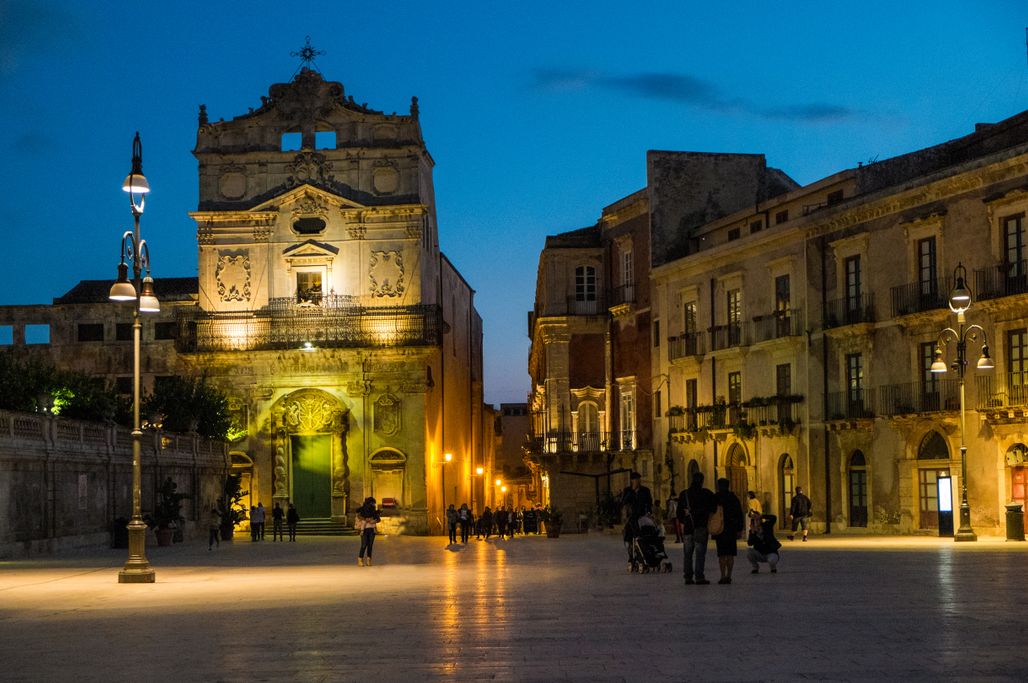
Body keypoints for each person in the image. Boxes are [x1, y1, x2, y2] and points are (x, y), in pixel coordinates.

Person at [678, 471, 716, 585]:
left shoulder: (684, 494)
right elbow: (713, 508)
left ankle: (688, 577)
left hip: (689, 528)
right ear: (702, 481)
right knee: (700, 554)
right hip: (701, 528)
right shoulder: (706, 494)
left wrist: (685, 519)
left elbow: (679, 513)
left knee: (688, 554)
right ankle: (699, 577)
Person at [712, 477, 745, 584]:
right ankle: (729, 575)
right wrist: (740, 529)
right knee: (730, 554)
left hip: (720, 529)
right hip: (731, 529)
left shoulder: (716, 498)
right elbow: (739, 514)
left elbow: (711, 513)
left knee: (721, 554)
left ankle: (722, 576)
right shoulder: (733, 498)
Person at [621, 471, 653, 559]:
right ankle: (631, 556)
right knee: (628, 536)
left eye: (639, 480)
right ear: (632, 481)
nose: (638, 482)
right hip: (631, 517)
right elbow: (624, 502)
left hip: (642, 516)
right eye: (636, 480)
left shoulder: (645, 490)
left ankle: (646, 552)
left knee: (647, 532)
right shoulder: (627, 490)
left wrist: (649, 513)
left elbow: (649, 503)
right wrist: (632, 491)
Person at [356, 497, 381, 566]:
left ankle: (369, 560)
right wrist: (365, 519)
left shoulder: (373, 510)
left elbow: (378, 519)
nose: (373, 504)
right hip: (364, 530)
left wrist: (373, 521)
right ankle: (360, 559)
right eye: (372, 503)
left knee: (370, 545)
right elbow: (358, 515)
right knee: (364, 545)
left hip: (372, 530)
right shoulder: (362, 510)